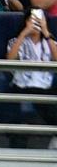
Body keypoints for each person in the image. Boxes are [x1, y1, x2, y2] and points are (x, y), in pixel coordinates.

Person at [7, 8, 57, 145]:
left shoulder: (50, 42)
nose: (36, 23)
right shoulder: (15, 41)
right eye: (32, 20)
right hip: (22, 85)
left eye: (39, 20)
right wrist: (23, 34)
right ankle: (17, 143)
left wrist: (46, 33)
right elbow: (10, 59)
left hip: (45, 86)